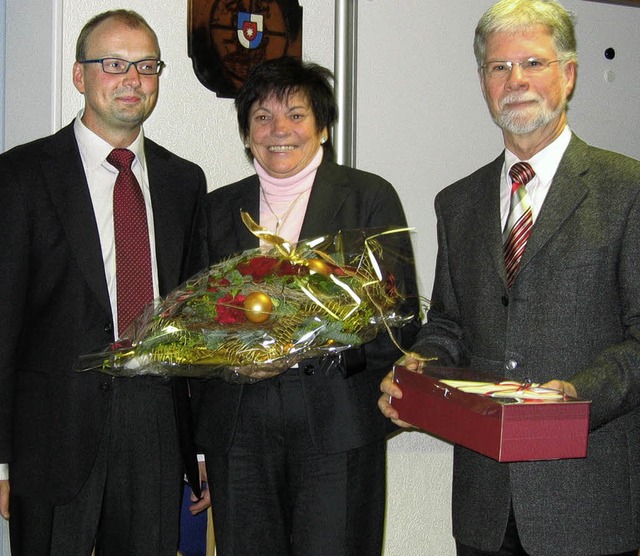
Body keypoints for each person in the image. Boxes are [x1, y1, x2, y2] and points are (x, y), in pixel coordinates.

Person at [379, 0, 640, 554]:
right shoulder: (458, 202)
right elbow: (449, 323)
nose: (516, 80)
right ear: (482, 83)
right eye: (499, 67)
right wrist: (418, 368)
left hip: (584, 501)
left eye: (534, 63)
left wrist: (575, 396)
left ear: (568, 75)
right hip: (484, 505)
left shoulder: (628, 190)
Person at [0, 10, 207, 555]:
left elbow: (196, 323)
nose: (132, 79)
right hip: (52, 432)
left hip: (156, 425)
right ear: (79, 76)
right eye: (114, 64)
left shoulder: (185, 182)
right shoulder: (21, 176)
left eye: (146, 65)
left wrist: (199, 447)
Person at [195, 56, 419, 556]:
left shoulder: (368, 198)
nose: (279, 130)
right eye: (262, 117)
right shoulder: (215, 209)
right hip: (240, 428)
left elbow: (398, 319)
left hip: (337, 422)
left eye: (296, 115)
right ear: (247, 132)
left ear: (321, 127)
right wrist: (234, 361)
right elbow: (197, 327)